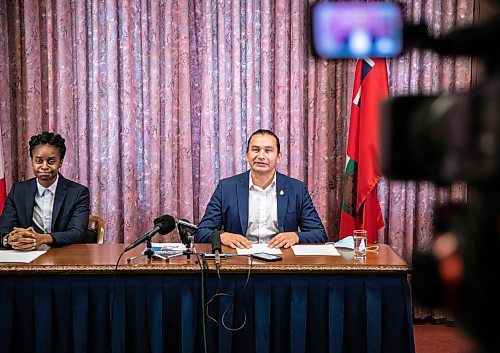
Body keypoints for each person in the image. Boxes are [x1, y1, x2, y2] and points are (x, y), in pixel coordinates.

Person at [196, 129, 327, 248]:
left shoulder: (296, 189)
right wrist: (222, 236)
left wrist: (295, 236)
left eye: (268, 150)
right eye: (256, 150)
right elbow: (201, 232)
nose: (261, 156)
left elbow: (319, 234)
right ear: (247, 155)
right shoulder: (226, 188)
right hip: (239, 261)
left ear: (278, 157)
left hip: (283, 262)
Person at [0, 131, 90, 250]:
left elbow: (78, 232)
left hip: (63, 256)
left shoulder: (78, 193)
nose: (44, 166)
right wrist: (9, 239)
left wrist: (43, 238)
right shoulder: (18, 191)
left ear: (61, 162)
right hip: (26, 256)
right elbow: (4, 229)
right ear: (32, 161)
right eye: (39, 161)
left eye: (51, 161)